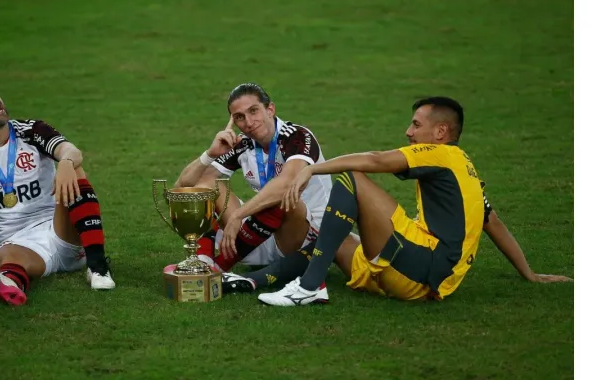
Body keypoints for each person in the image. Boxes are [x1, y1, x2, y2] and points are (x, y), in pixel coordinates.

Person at [232, 96, 572, 306]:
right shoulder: (465, 169)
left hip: (421, 270)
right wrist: (529, 274)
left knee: (351, 178)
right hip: (424, 279)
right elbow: (492, 223)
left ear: (440, 132)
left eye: (416, 124)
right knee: (333, 238)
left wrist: (313, 169)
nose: (409, 132)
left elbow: (377, 160)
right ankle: (251, 281)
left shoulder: (441, 154)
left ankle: (310, 287)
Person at [0, 82, 115, 306]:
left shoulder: (32, 130)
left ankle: (98, 267)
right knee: (6, 256)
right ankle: (11, 284)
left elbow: (71, 151)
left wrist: (64, 161)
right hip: (19, 243)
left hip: (62, 230)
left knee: (74, 167)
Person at [173, 83, 332, 282]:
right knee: (206, 187)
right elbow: (184, 187)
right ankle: (205, 261)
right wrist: (209, 154)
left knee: (289, 198)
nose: (249, 122)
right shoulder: (244, 144)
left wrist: (239, 215)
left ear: (270, 109)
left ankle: (222, 263)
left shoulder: (297, 136)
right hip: (260, 235)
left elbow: (287, 184)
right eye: (240, 117)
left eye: (253, 111)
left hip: (304, 237)